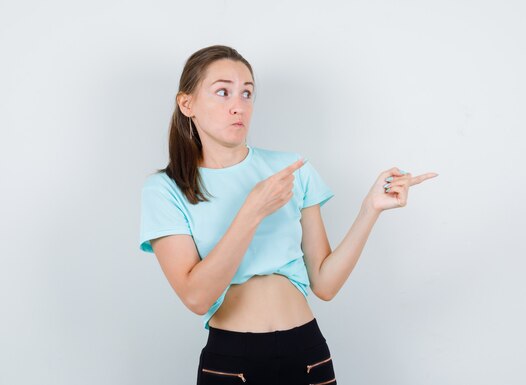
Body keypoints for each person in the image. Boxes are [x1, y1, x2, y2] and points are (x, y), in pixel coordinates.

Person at [138, 44, 438, 385]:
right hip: (232, 361)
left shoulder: (290, 169)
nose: (238, 106)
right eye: (223, 92)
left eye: (247, 94)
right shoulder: (165, 189)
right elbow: (196, 297)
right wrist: (252, 210)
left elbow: (324, 284)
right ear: (187, 103)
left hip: (307, 351)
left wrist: (370, 210)